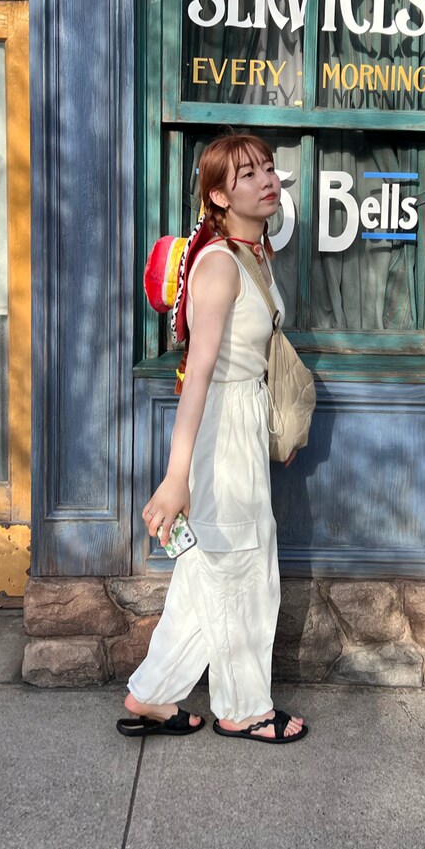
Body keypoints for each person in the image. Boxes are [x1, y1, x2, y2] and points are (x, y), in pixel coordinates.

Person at [117, 133, 308, 745]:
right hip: (221, 428)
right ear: (219, 196)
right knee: (242, 569)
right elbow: (197, 375)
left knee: (210, 567)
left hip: (242, 420)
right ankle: (243, 708)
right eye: (248, 174)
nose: (267, 180)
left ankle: (151, 695)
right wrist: (177, 478)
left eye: (269, 168)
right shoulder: (222, 264)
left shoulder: (253, 254)